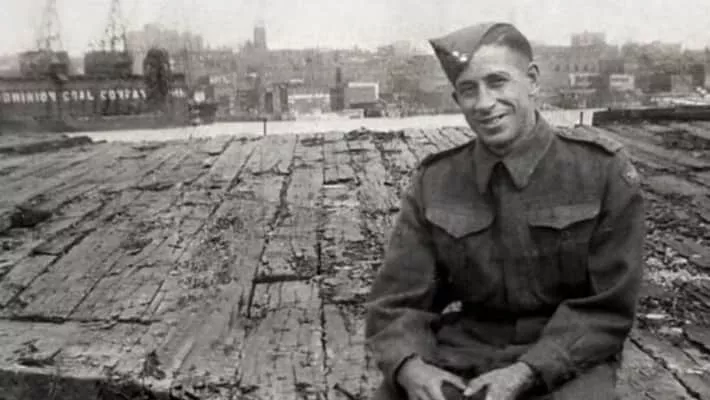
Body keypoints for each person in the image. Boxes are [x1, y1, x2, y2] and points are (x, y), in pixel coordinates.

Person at [364, 22, 644, 400]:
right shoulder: (436, 180)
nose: (484, 103)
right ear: (457, 98)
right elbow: (397, 299)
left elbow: (608, 309)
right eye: (468, 90)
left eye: (497, 82)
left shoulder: (601, 172)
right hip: (462, 350)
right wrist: (411, 367)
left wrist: (526, 372)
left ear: (532, 80)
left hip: (566, 355)